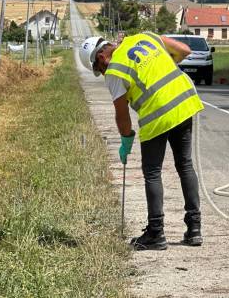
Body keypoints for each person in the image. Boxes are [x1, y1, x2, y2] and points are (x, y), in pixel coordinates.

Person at [79, 32, 204, 250]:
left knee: (152, 171)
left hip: (157, 113)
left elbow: (122, 114)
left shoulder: (115, 70)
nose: (102, 72)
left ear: (100, 58)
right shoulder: (145, 36)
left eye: (99, 69)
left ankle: (156, 233)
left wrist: (126, 139)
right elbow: (184, 51)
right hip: (184, 101)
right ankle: (194, 229)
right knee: (185, 165)